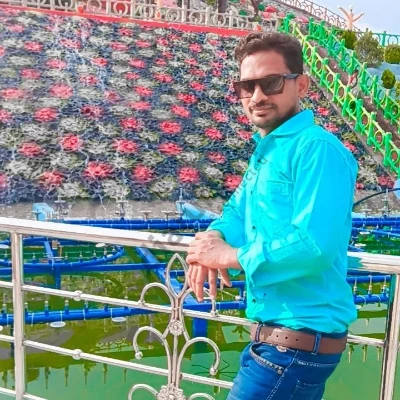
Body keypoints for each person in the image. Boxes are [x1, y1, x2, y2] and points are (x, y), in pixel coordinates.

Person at [186, 32, 358, 400]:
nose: (258, 96)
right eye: (247, 86)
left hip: (296, 344)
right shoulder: (269, 151)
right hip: (279, 341)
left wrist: (229, 256)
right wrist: (212, 239)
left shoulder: (317, 149)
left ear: (302, 85)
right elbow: (237, 211)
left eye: (272, 83)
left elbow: (313, 246)